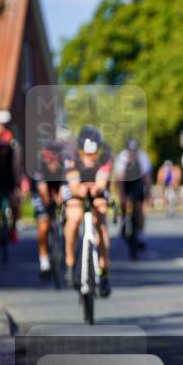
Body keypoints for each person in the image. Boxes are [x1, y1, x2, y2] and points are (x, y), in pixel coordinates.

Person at [62, 126, 113, 297]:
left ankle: (104, 272)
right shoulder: (71, 156)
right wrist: (82, 190)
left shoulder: (106, 156)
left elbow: (101, 183)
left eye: (94, 153)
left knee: (101, 220)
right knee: (74, 217)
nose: (91, 157)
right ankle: (70, 262)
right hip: (76, 186)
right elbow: (74, 186)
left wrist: (96, 189)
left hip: (95, 186)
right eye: (87, 153)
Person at [32, 140, 67, 281]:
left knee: (69, 220)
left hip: (59, 190)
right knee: (43, 227)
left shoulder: (64, 165)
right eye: (50, 160)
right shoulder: (40, 166)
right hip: (42, 193)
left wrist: (60, 198)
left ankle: (66, 253)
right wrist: (48, 201)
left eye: (56, 160)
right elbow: (42, 190)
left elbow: (66, 185)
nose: (53, 163)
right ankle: (44, 262)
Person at [113, 139, 152, 247]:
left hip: (138, 184)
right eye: (130, 150)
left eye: (134, 150)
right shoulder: (122, 157)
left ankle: (141, 234)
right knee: (124, 203)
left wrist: (148, 192)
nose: (132, 153)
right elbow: (119, 177)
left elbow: (147, 177)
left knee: (140, 209)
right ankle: (124, 220)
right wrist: (121, 194)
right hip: (126, 184)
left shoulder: (143, 157)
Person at [0, 125, 23, 246]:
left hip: (12, 183)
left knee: (16, 203)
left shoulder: (15, 150)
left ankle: (13, 228)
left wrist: (18, 186)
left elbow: (17, 168)